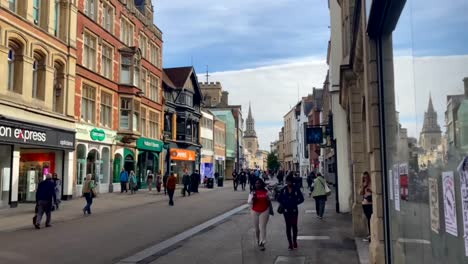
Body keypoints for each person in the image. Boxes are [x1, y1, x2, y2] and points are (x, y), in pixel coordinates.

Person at [278, 174, 305, 250]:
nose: (289, 183)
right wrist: (284, 203)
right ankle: (290, 243)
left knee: (294, 226)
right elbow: (279, 198)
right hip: (286, 211)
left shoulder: (296, 189)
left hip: (294, 210)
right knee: (288, 226)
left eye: (290, 181)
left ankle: (294, 241)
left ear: (292, 182)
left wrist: (295, 202)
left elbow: (302, 199)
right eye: (287, 181)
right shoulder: (283, 190)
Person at [249, 178, 271, 251]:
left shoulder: (266, 191)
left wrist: (268, 199)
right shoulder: (253, 192)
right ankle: (258, 240)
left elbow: (269, 201)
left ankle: (262, 243)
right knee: (257, 229)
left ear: (261, 184)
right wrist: (253, 199)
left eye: (259, 183)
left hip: (264, 210)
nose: (257, 184)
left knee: (262, 227)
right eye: (256, 183)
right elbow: (249, 203)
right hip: (255, 211)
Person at [360, 171, 373, 242]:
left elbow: (375, 192)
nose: (365, 179)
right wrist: (363, 186)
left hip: (370, 204)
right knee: (368, 219)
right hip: (365, 204)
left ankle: (371, 234)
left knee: (370, 219)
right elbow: (360, 193)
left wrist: (370, 191)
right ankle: (370, 234)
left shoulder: (371, 183)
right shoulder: (363, 184)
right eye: (364, 178)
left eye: (366, 177)